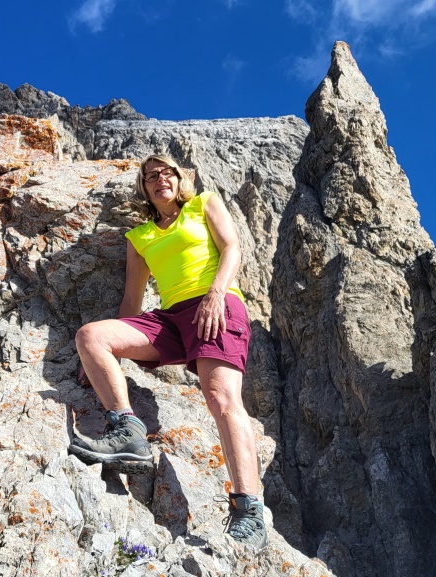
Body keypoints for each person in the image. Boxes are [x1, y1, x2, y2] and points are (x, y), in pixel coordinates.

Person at [69, 154, 267, 550]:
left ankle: (250, 511)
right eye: (151, 176)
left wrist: (216, 295)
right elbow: (132, 299)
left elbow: (232, 248)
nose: (160, 179)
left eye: (167, 173)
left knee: (221, 397)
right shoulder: (139, 238)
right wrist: (107, 357)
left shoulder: (204, 203)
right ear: (144, 188)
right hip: (170, 318)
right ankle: (128, 433)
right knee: (91, 337)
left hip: (217, 305)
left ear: (180, 179)